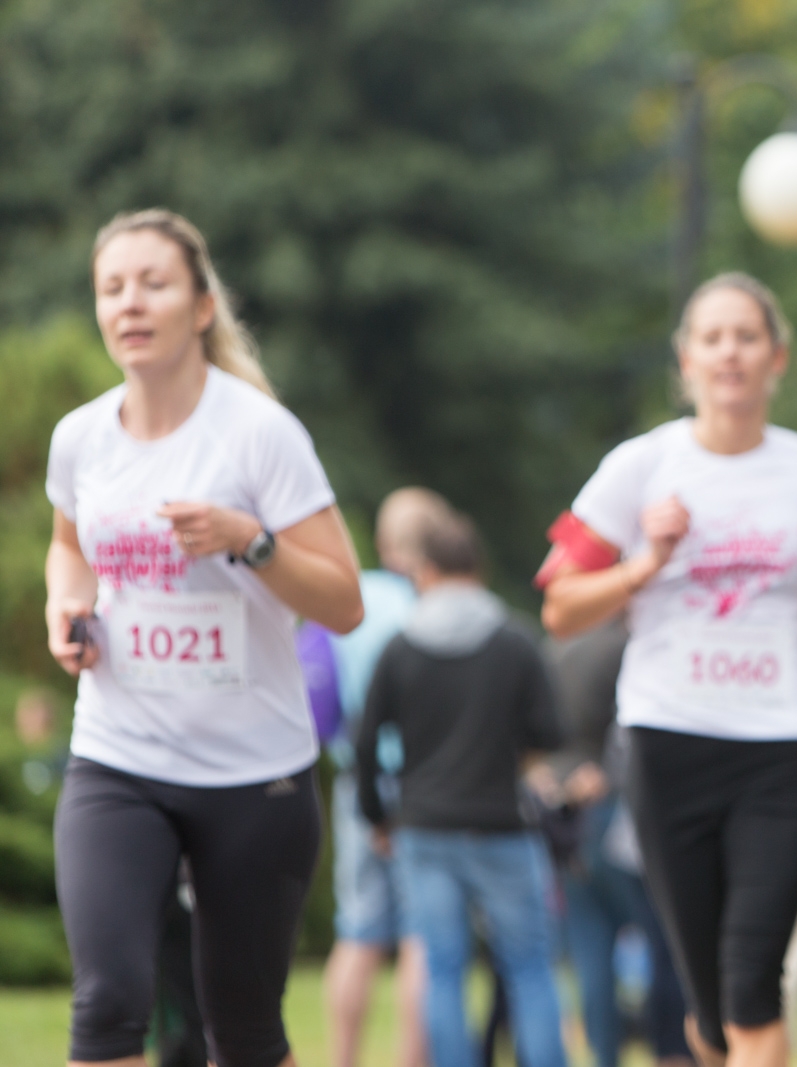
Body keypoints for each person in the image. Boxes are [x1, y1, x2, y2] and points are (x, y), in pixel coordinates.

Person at [44, 208, 365, 1067]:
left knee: (246, 1030)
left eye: (154, 282)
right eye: (112, 287)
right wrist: (64, 612)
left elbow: (343, 602)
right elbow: (69, 549)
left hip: (251, 773)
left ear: (200, 305)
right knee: (107, 1001)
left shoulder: (258, 433)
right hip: (118, 756)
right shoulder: (81, 437)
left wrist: (247, 539)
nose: (130, 303)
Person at [538, 272, 797, 1067]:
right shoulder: (640, 466)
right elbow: (560, 607)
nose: (729, 352)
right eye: (712, 337)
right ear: (686, 359)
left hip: (780, 746)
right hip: (669, 746)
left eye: (746, 336)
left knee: (751, 984)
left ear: (777, 357)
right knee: (709, 1006)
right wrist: (645, 563)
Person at [356, 512, 568, 1067]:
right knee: (530, 967)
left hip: (425, 827)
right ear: (480, 567)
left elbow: (364, 741)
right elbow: (550, 732)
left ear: (424, 571)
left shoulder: (400, 646)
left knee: (444, 969)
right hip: (502, 823)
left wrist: (377, 816)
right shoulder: (516, 641)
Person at [322, 487, 452, 1067]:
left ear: (382, 541)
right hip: (423, 786)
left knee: (357, 934)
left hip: (358, 779)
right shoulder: (437, 610)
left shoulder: (351, 601)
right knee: (421, 938)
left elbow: (315, 699)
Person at [543, 618, 694, 1067]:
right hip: (620, 808)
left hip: (565, 810)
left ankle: (603, 1056)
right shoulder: (636, 647)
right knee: (666, 942)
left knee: (590, 953)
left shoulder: (555, 646)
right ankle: (671, 1051)